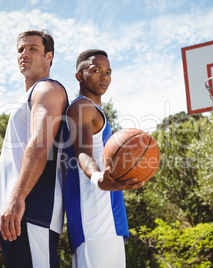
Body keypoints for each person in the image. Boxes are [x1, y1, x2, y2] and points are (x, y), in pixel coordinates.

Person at [0, 29, 68, 268]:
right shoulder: (28, 99)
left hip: (33, 211)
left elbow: (40, 144)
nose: (24, 53)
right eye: (21, 49)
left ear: (49, 57)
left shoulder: (47, 89)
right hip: (15, 219)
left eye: (33, 48)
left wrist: (17, 198)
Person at [63, 49, 144, 268]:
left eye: (108, 72)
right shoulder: (81, 107)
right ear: (80, 75)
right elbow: (83, 153)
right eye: (96, 70)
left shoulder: (94, 111)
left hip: (108, 220)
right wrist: (99, 178)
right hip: (94, 221)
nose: (104, 76)